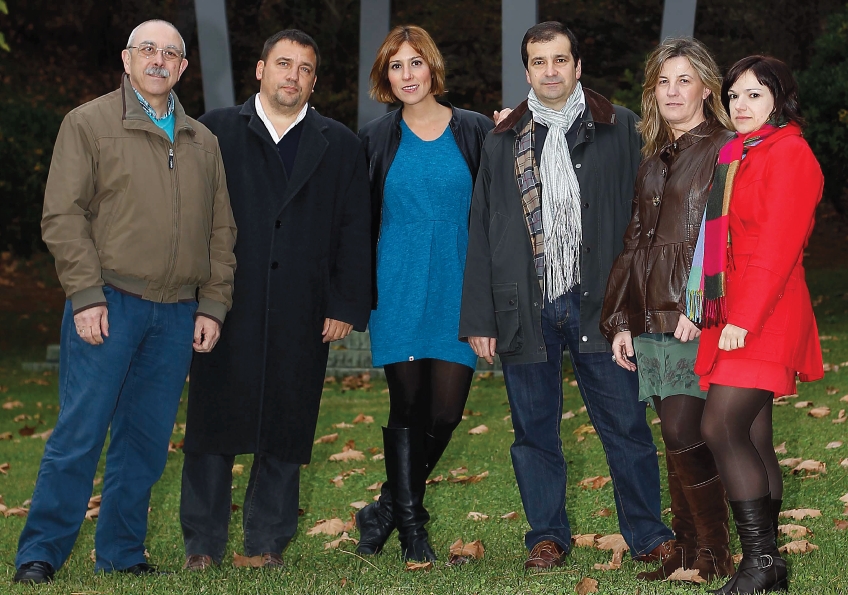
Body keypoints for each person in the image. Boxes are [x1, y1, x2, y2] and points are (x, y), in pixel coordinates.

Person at [13, 20, 236, 584]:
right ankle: (40, 552)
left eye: (170, 54)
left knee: (144, 443)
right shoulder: (88, 123)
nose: (159, 61)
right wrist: (86, 295)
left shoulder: (201, 141)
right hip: (109, 302)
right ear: (127, 59)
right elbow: (63, 216)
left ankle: (121, 553)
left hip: (176, 311)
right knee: (80, 435)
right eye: (148, 51)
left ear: (183, 68)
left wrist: (212, 304)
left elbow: (221, 231)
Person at [460, 21, 674, 570]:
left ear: (578, 67)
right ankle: (546, 537)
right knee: (533, 433)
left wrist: (637, 303)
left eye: (560, 60)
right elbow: (483, 228)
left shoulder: (620, 127)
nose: (550, 71)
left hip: (603, 306)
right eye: (539, 62)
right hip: (524, 306)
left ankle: (649, 534)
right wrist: (480, 316)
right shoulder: (502, 138)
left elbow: (644, 222)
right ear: (527, 70)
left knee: (626, 425)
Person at [178, 29, 371, 570]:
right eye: (283, 63)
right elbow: (191, 216)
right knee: (213, 424)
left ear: (314, 80)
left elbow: (355, 227)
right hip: (225, 300)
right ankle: (203, 542)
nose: (294, 75)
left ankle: (267, 540)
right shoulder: (215, 130)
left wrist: (344, 303)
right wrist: (195, 296)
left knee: (287, 423)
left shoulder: (339, 143)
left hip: (302, 304)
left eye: (305, 68)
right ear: (260, 69)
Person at [355, 25, 494, 562]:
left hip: (458, 290)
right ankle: (412, 526)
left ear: (432, 67)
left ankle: (385, 507)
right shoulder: (374, 138)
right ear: (385, 76)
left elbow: (498, 203)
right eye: (396, 65)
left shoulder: (475, 130)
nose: (407, 75)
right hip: (398, 289)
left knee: (446, 412)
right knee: (407, 407)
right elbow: (357, 221)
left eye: (415, 63)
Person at [600, 37, 735, 582]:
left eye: (685, 79)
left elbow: (726, 238)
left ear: (706, 86)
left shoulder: (725, 148)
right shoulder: (654, 158)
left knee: (683, 430)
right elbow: (635, 242)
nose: (674, 90)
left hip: (692, 314)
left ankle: (715, 552)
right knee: (674, 434)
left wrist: (699, 307)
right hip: (651, 314)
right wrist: (620, 320)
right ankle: (684, 548)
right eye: (663, 80)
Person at [695, 56, 823, 595]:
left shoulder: (789, 153)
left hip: (763, 311)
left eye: (754, 94)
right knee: (752, 434)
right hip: (735, 308)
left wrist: (742, 320)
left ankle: (759, 562)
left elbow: (777, 243)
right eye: (734, 96)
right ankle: (768, 565)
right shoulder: (737, 152)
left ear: (779, 98)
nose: (741, 105)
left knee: (719, 427)